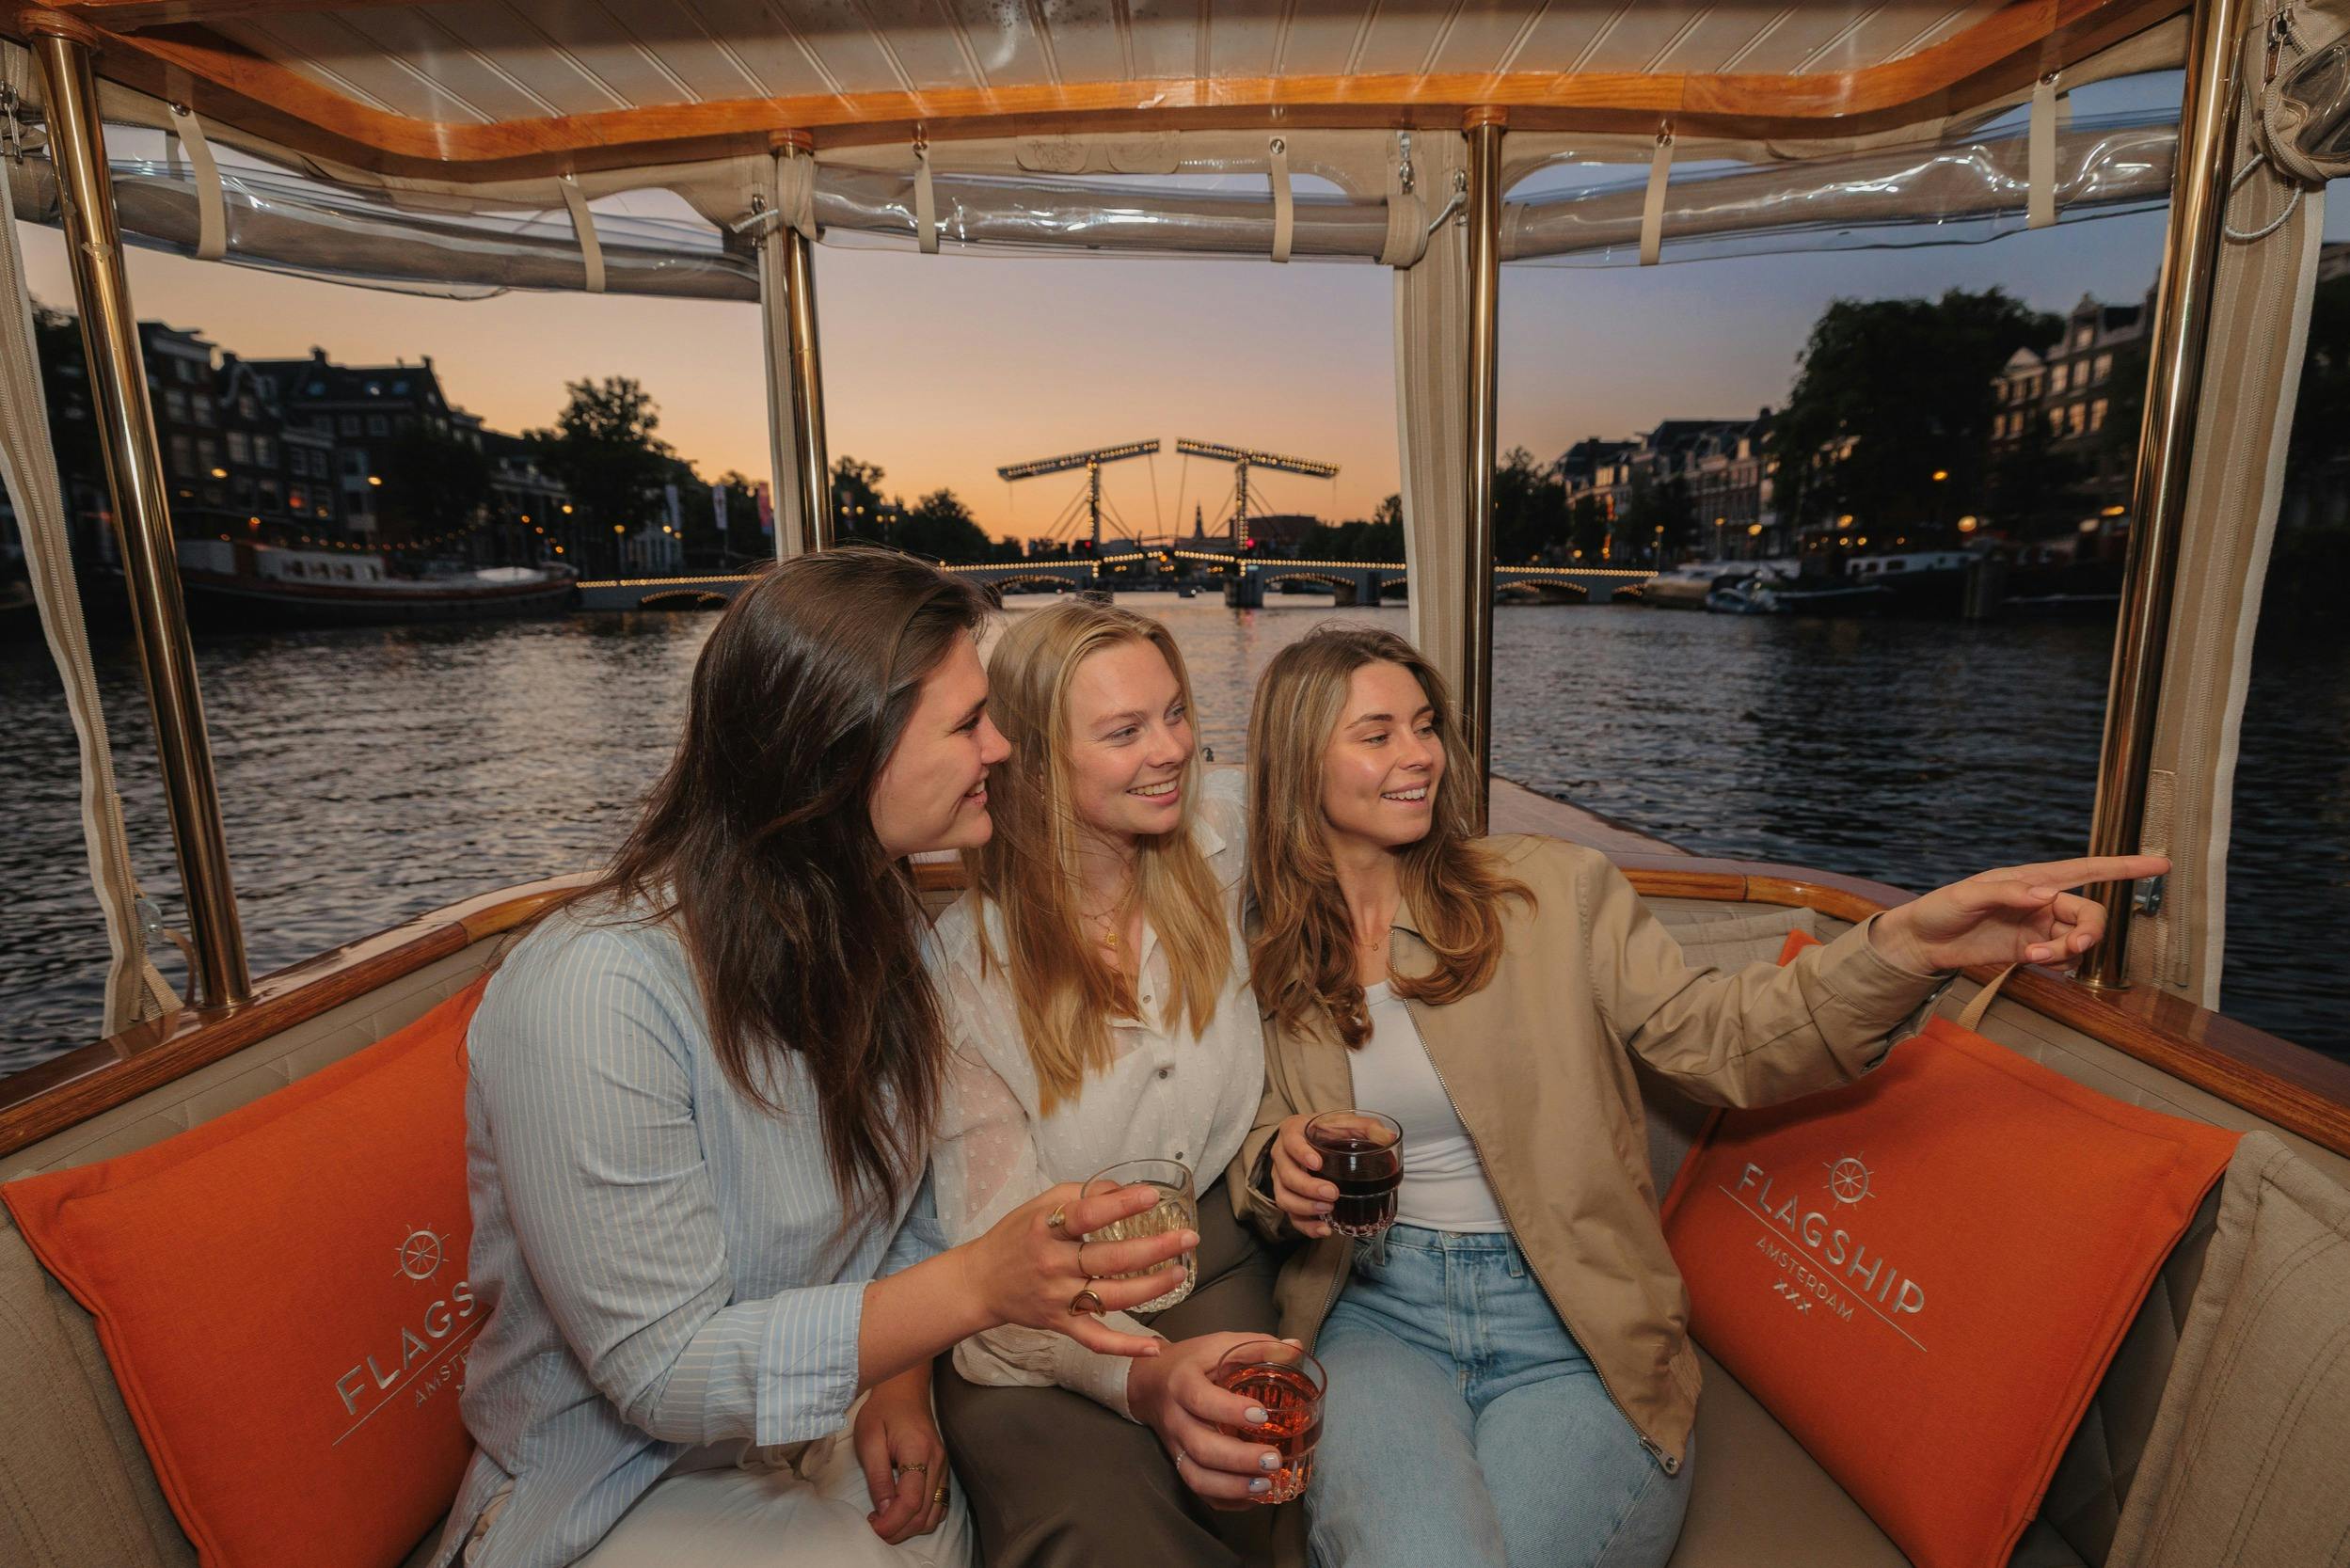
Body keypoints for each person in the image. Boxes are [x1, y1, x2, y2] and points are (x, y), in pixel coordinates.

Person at [1232, 623, 2167, 1568]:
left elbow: (1725, 1039)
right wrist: (1279, 1162)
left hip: (1573, 1322)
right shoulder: (1262, 947)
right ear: (1299, 759)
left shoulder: (1551, 892)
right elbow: (1251, 1135)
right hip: (1377, 1314)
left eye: (1425, 725)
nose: (1420, 755)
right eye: (1378, 732)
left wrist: (1911, 945)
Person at [435, 550, 1197, 1568]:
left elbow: (894, 1211)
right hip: (620, 1487)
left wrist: (897, 1381)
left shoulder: (866, 927)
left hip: (822, 1430)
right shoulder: (593, 992)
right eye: (969, 722)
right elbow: (661, 1371)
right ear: (846, 750)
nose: (1005, 746)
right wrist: (978, 1283)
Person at [929, 601, 1288, 1568]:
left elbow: (1352, 783)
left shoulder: (1224, 839)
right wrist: (1140, 1376)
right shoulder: (965, 973)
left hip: (1213, 1255)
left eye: (1174, 713)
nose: (1170, 749)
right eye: (1124, 731)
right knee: (1092, 1525)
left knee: (1250, 1461)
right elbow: (991, 1265)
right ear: (1035, 765)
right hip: (1033, 1317)